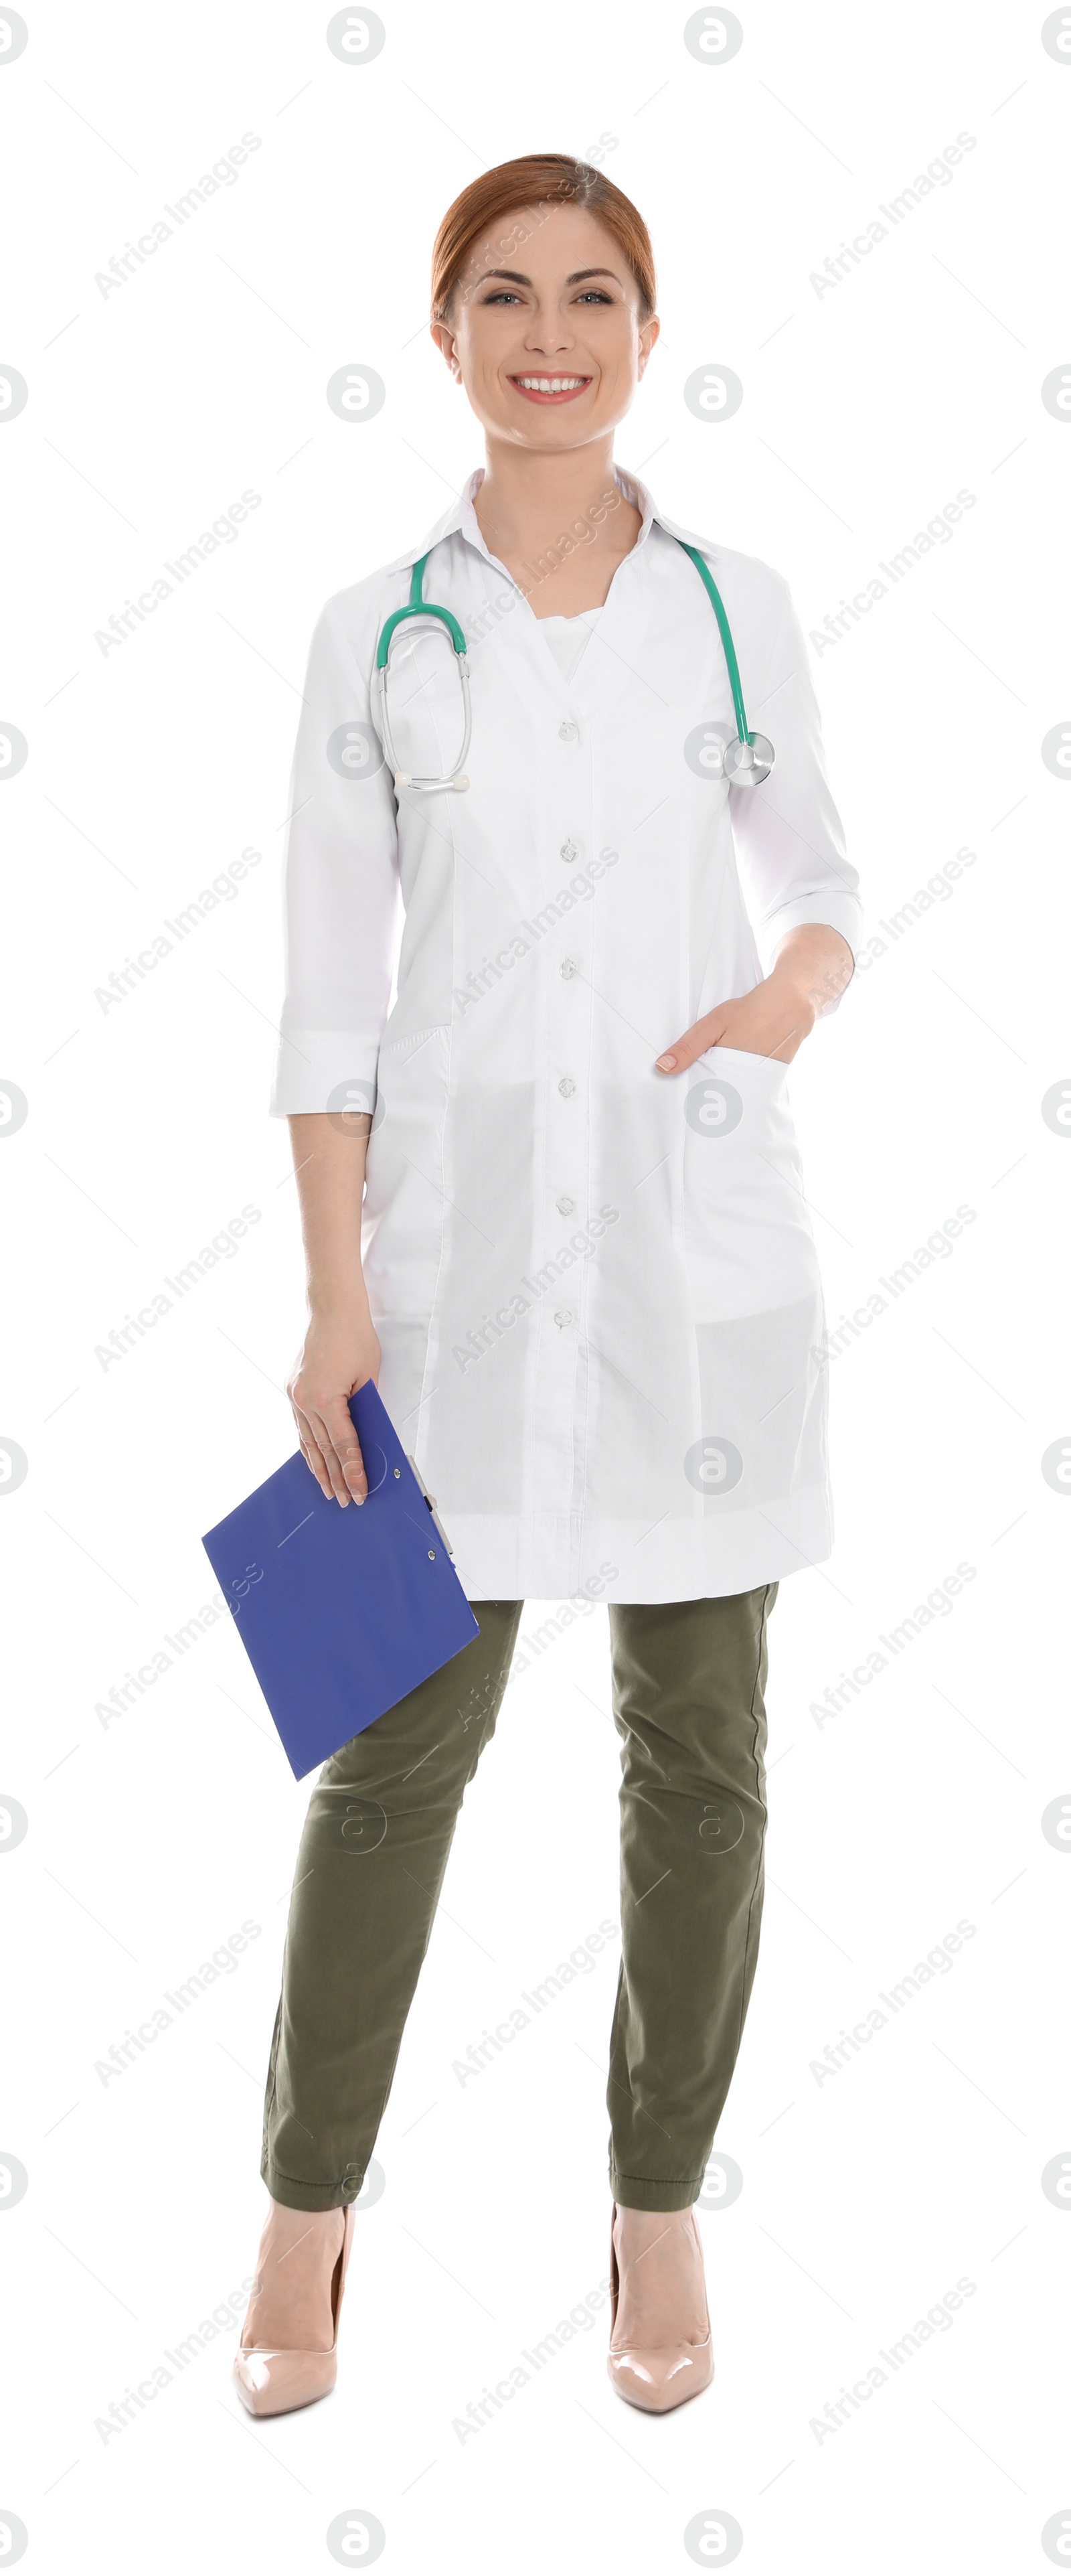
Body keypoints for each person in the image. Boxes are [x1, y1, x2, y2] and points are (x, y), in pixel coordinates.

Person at [233, 153, 861, 2422]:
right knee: (393, 1751)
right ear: (448, 333)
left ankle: (658, 2198)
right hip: (452, 1279)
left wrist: (793, 986)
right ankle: (307, 2215)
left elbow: (820, 862)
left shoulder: (730, 606)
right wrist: (334, 1306)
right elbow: (324, 1008)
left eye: (591, 293)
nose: (549, 333)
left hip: (700, 1265)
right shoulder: (373, 628)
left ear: (647, 322)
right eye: (503, 295)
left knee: (701, 1754)